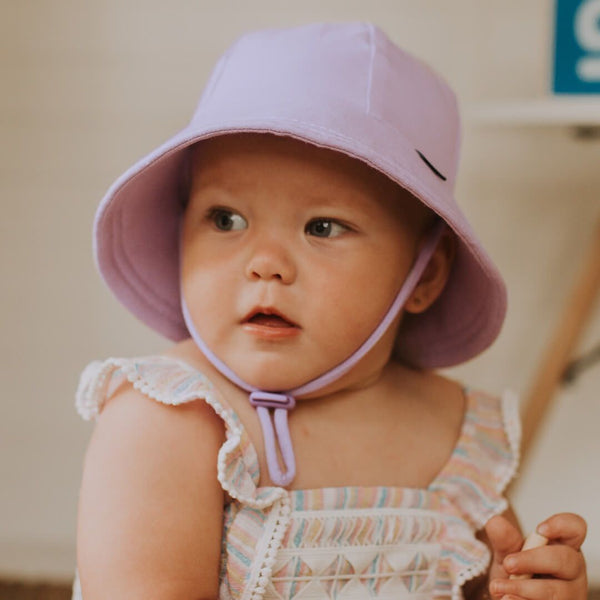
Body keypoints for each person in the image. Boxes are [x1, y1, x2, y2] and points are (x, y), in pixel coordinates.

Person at [73, 22, 588, 600]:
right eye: (226, 219)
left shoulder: (459, 436)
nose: (265, 263)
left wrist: (521, 587)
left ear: (427, 274)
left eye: (322, 227)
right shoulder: (170, 418)